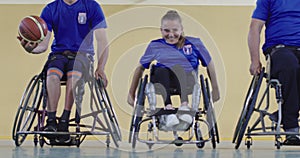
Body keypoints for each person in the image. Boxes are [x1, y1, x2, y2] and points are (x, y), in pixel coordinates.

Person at [18, 0, 109, 143]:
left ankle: (65, 120)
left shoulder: (92, 6)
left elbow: (102, 41)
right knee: (52, 76)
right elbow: (43, 46)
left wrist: (101, 68)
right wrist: (29, 48)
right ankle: (51, 121)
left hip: (82, 56)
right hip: (58, 55)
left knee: (74, 77)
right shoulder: (51, 9)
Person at [127, 10, 220, 127]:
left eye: (175, 30)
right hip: (162, 80)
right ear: (161, 30)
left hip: (187, 81)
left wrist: (215, 89)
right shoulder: (155, 45)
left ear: (181, 29)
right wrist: (131, 93)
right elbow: (140, 68)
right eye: (166, 30)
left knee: (177, 67)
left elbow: (209, 63)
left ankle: (184, 105)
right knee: (162, 69)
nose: (171, 34)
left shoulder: (194, 43)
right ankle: (168, 107)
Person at [248, 0, 300, 144]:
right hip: (280, 48)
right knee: (290, 65)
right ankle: (291, 127)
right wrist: (254, 60)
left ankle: (283, 113)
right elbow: (255, 28)